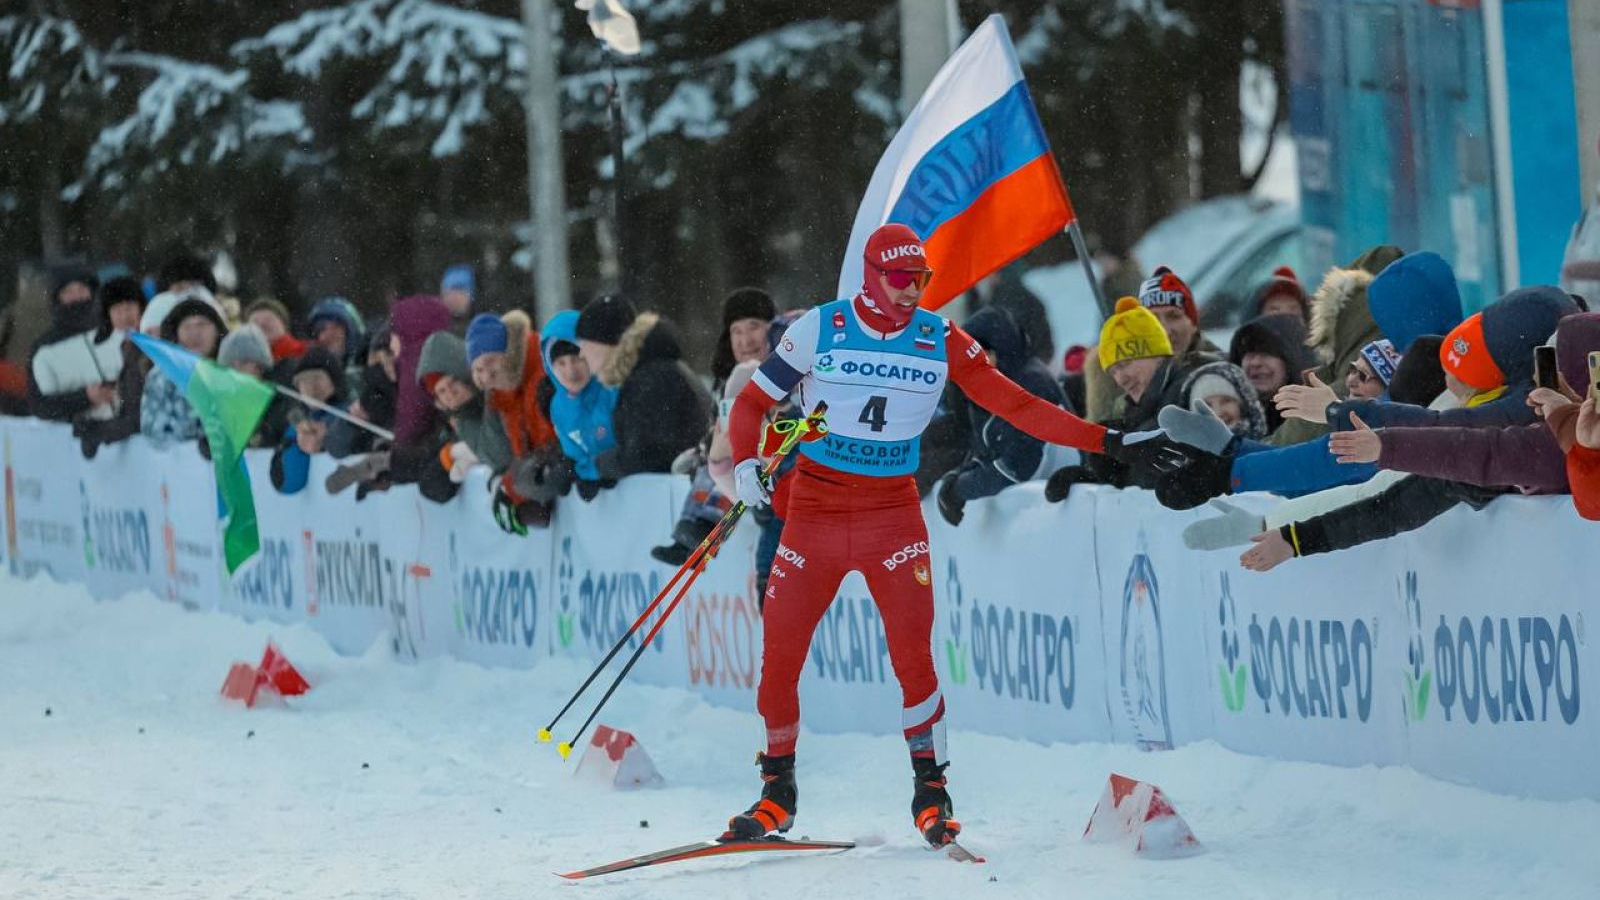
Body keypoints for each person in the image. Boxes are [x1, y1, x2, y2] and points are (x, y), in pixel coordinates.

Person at [720, 224, 1191, 848]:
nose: (912, 291)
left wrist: (1107, 440)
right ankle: (776, 792)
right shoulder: (820, 329)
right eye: (900, 279)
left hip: (891, 513)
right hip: (816, 513)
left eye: (921, 280)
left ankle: (931, 791)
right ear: (871, 276)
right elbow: (751, 404)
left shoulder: (939, 337)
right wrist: (746, 463)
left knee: (913, 657)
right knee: (780, 657)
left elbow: (1018, 405)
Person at [936, 303, 1072, 525]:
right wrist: (957, 478)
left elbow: (1018, 467)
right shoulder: (986, 392)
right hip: (1037, 518)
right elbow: (986, 452)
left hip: (1068, 510)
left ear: (1001, 349)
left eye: (980, 354)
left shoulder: (1031, 385)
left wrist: (961, 488)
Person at [576, 295, 713, 478]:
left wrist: (598, 466)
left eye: (585, 344)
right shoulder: (651, 370)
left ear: (608, 343)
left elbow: (647, 455)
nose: (581, 354)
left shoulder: (651, 379)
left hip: (687, 488)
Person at [28, 266, 124, 423]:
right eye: (68, 291)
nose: (77, 296)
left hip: (132, 431)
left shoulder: (115, 331)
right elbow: (40, 405)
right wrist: (85, 398)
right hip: (72, 433)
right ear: (57, 298)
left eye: (81, 289)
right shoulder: (44, 348)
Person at [539, 310, 617, 499]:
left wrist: (594, 469)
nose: (571, 371)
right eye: (561, 363)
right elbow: (575, 455)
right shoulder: (558, 406)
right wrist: (580, 471)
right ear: (550, 368)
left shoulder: (611, 388)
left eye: (577, 359)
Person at [140, 292, 227, 447]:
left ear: (217, 330)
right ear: (176, 333)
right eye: (187, 327)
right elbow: (153, 431)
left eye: (202, 325)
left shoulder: (234, 370)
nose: (195, 333)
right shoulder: (162, 376)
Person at [1227, 313, 1313, 434]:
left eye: (1266, 353)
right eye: (1249, 354)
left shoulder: (1314, 419)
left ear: (1292, 360)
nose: (1256, 362)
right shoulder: (1225, 416)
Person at [243, 298, 307, 362]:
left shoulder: (306, 353)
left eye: (268, 319)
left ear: (284, 324)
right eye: (255, 322)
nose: (262, 324)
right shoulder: (243, 363)